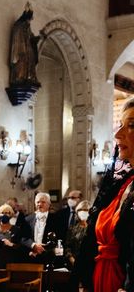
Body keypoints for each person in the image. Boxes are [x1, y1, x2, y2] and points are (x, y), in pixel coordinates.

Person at [77, 99, 134, 291]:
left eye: (131, 126)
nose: (118, 134)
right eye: (120, 125)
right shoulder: (122, 185)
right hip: (101, 279)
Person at [8, 3, 41, 86]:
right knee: (22, 61)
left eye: (30, 20)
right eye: (29, 19)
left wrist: (39, 37)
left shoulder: (27, 27)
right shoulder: (18, 26)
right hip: (21, 49)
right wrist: (23, 46)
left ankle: (29, 77)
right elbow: (17, 38)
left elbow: (31, 37)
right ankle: (19, 77)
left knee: (31, 58)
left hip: (27, 48)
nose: (29, 21)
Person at [20, 192, 57, 264]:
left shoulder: (56, 219)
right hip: (31, 256)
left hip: (49, 257)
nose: (40, 204)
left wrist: (44, 248)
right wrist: (33, 246)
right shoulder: (27, 219)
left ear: (49, 204)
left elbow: (59, 237)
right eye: (38, 202)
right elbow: (23, 237)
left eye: (43, 202)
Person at [0, 204, 25, 268]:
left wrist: (10, 244)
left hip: (12, 263)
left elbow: (21, 248)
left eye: (7, 213)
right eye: (2, 213)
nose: (4, 215)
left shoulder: (16, 230)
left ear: (11, 214)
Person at [64, 199, 90, 289]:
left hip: (89, 263)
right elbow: (67, 247)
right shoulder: (72, 229)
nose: (83, 212)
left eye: (86, 210)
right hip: (74, 263)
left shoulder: (93, 228)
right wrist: (72, 259)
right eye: (81, 210)